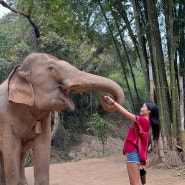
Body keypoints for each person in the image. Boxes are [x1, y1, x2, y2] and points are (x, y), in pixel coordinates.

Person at [103, 95, 161, 185]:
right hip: (135, 153)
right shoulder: (144, 122)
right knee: (136, 182)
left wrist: (113, 102)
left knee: (134, 183)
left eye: (144, 107)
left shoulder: (143, 121)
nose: (141, 108)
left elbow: (126, 113)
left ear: (149, 110)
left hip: (133, 153)